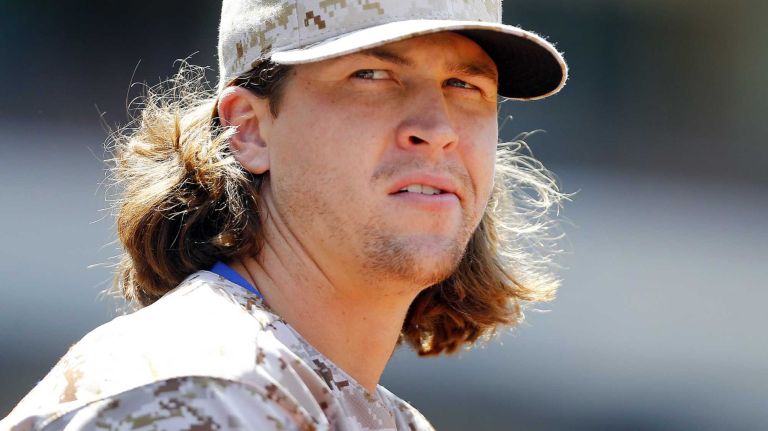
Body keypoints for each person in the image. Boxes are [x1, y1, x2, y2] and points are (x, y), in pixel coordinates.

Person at [1, 0, 568, 429]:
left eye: (465, 84)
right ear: (248, 129)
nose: (438, 128)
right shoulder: (199, 393)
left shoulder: (373, 415)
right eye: (372, 75)